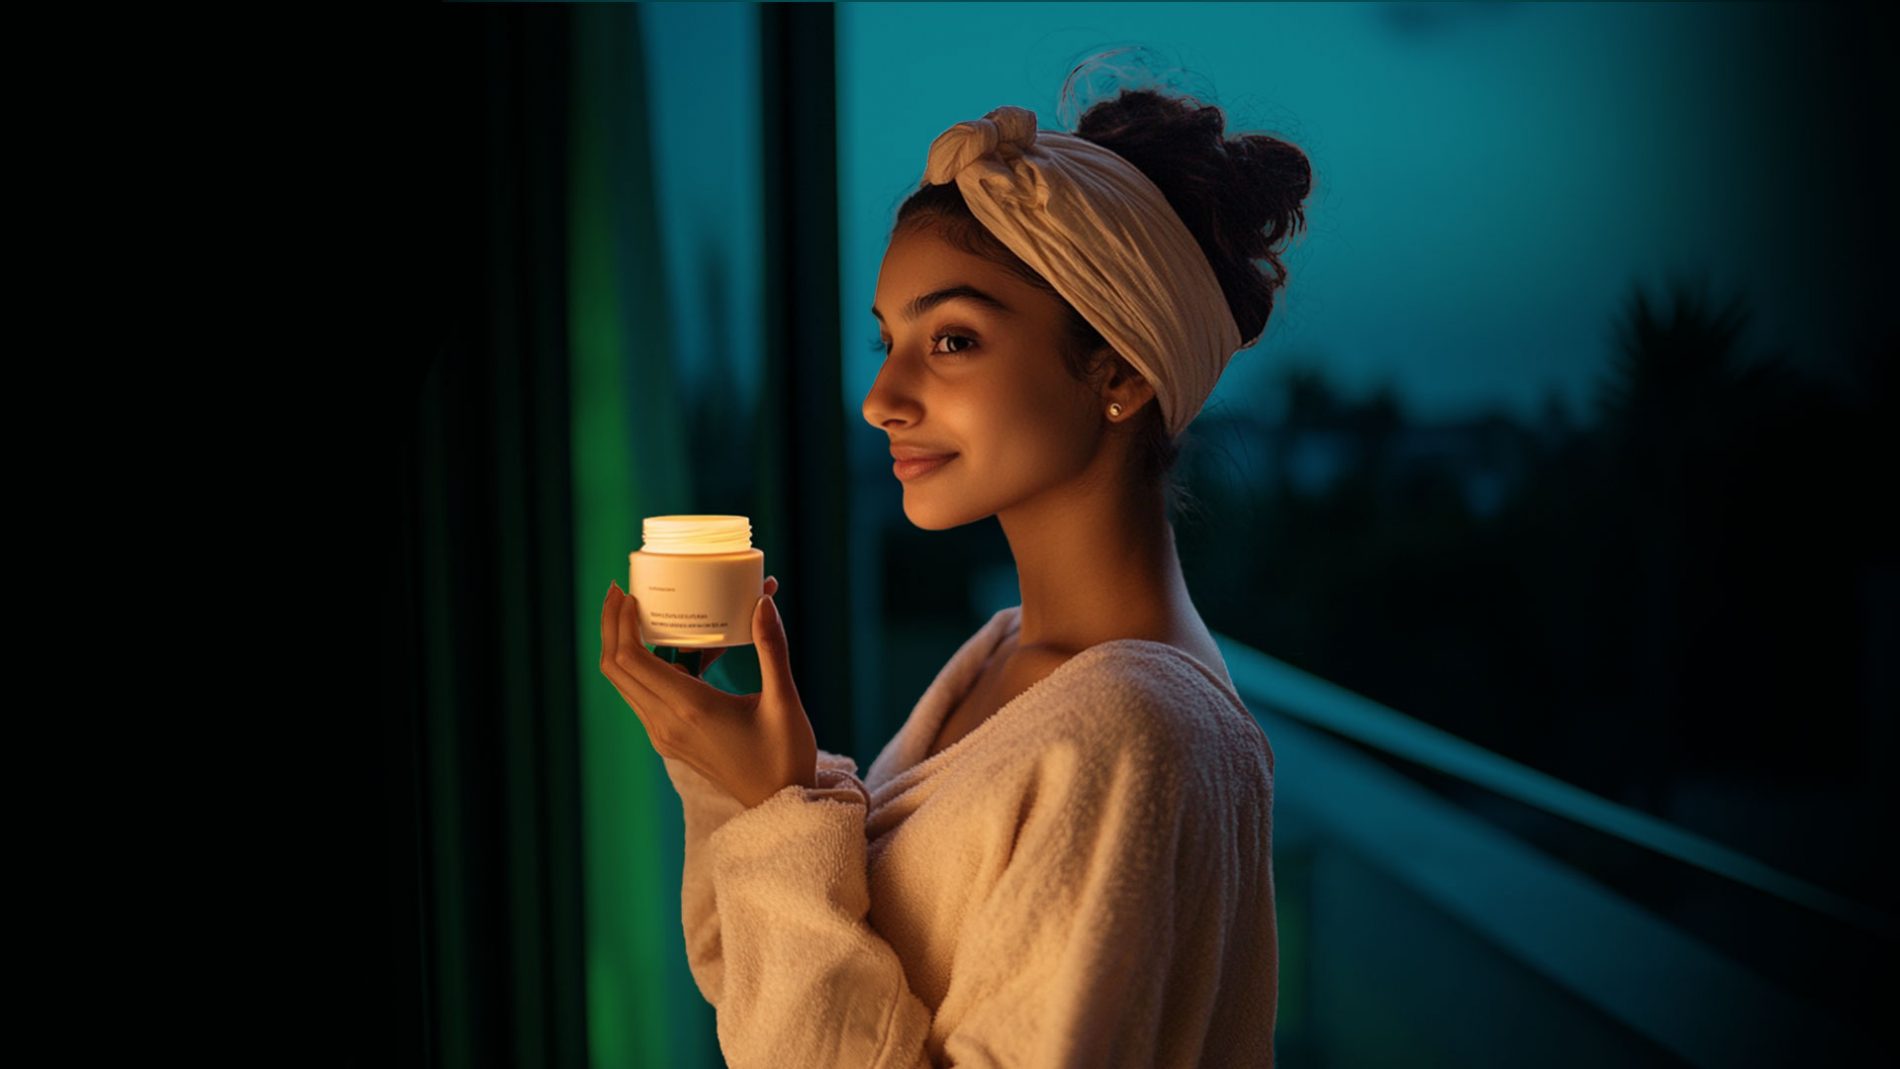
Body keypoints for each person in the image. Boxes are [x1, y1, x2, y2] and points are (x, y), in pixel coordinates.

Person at [603, 60, 1312, 1069]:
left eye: (950, 339)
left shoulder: (1133, 730)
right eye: (886, 340)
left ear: (1116, 373)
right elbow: (764, 997)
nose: (879, 397)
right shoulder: (1011, 656)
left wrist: (777, 811)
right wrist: (751, 788)